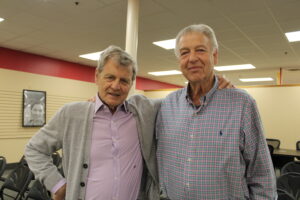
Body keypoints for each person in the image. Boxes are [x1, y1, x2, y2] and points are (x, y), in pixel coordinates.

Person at [156, 24, 277, 199]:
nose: (192, 58)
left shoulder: (242, 104)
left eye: (200, 50)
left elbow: (262, 176)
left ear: (215, 56)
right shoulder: (167, 105)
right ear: (179, 61)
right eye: (184, 52)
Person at [25, 45, 161, 200]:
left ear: (131, 83)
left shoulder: (142, 112)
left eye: (124, 80)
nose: (116, 86)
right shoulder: (72, 114)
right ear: (97, 76)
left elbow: (181, 101)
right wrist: (56, 184)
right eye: (110, 77)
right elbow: (34, 148)